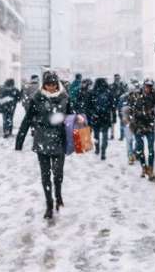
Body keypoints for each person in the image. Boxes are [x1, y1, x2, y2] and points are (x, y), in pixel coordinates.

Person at [16, 71, 75, 219]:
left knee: (58, 174)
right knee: (45, 175)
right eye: (48, 84)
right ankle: (49, 204)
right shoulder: (37, 98)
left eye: (54, 84)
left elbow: (70, 116)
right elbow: (27, 119)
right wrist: (19, 141)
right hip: (42, 140)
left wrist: (78, 121)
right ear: (44, 84)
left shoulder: (64, 97)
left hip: (59, 140)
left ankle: (58, 195)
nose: (51, 88)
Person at [130, 78, 155, 180]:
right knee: (140, 148)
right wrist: (136, 117)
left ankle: (151, 170)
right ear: (143, 86)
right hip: (138, 125)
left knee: (151, 149)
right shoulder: (136, 95)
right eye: (147, 86)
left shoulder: (154, 97)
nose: (148, 88)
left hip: (150, 125)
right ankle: (144, 167)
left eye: (150, 86)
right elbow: (131, 111)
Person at [87, 78, 115, 160]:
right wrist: (113, 117)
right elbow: (112, 106)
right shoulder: (109, 92)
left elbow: (88, 106)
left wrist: (92, 114)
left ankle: (97, 148)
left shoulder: (92, 92)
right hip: (106, 117)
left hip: (96, 117)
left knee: (96, 134)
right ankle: (103, 151)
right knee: (105, 135)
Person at [110, 74, 127, 140]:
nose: (117, 79)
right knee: (113, 121)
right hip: (115, 105)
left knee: (121, 120)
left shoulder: (122, 85)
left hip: (119, 105)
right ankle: (113, 134)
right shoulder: (113, 86)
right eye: (116, 78)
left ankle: (121, 135)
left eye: (118, 78)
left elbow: (125, 93)